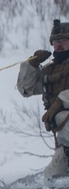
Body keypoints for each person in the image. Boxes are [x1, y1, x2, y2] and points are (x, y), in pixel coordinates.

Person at [16, 19, 69, 179]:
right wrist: (31, 64)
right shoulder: (50, 70)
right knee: (53, 178)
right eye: (56, 42)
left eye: (64, 41)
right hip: (63, 136)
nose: (59, 45)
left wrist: (60, 102)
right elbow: (26, 88)